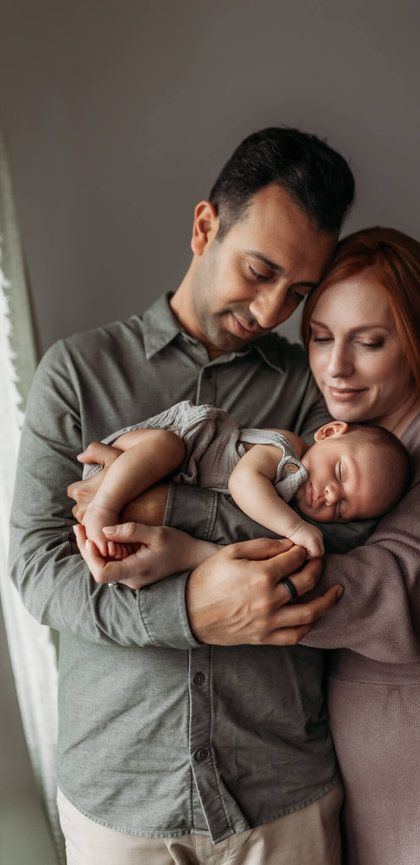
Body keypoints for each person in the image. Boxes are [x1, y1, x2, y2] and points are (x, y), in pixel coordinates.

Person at [79, 226, 420, 864]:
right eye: (320, 337)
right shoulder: (337, 445)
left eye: (369, 342)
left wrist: (193, 551)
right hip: (375, 789)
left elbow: (383, 587)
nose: (336, 367)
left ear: (419, 339)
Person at [9, 126, 360, 865]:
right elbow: (41, 568)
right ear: (204, 227)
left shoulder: (311, 384)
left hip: (280, 794)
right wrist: (187, 609)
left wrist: (166, 510)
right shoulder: (76, 373)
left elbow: (336, 545)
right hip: (119, 796)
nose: (270, 311)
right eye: (259, 270)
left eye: (296, 291)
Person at [79, 402, 410, 561]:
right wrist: (295, 529)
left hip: (155, 480)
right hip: (160, 447)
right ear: (328, 432)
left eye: (341, 508)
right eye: (339, 473)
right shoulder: (288, 448)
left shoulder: (287, 498)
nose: (329, 495)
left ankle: (109, 525)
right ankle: (103, 508)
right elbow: (243, 483)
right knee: (168, 447)